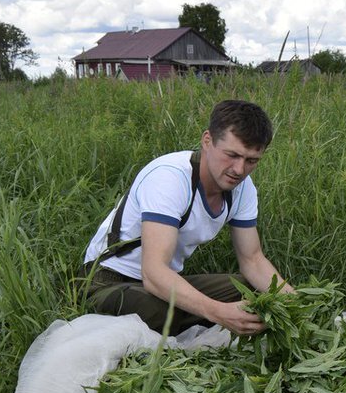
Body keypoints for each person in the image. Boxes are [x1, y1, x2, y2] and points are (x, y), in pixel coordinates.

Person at [81, 99, 292, 336]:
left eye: (251, 161)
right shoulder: (170, 177)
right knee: (159, 311)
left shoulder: (243, 189)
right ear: (207, 141)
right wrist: (218, 311)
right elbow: (153, 272)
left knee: (253, 293)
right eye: (232, 155)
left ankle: (193, 318)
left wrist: (295, 305)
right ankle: (197, 321)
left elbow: (253, 260)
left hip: (163, 282)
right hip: (110, 280)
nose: (239, 170)